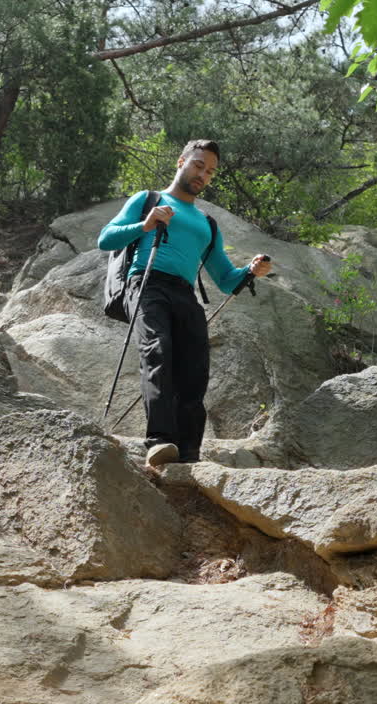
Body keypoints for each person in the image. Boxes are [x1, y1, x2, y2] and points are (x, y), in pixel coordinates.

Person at [97, 139, 272, 466]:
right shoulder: (149, 200)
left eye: (209, 171)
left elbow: (224, 278)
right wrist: (146, 224)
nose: (202, 174)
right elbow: (106, 238)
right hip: (147, 283)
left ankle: (189, 452)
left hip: (185, 293)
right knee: (157, 349)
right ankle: (160, 441)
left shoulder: (208, 224)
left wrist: (250, 270)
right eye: (198, 165)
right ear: (180, 161)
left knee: (195, 369)